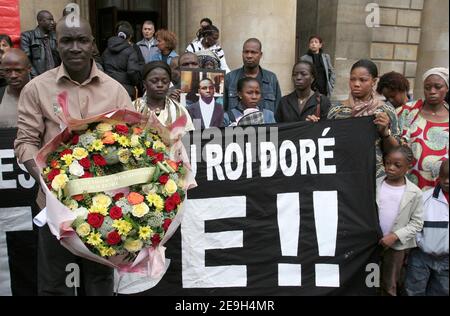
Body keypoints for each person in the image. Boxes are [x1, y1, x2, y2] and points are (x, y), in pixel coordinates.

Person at [14, 17, 133, 296]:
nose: (75, 47)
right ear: (57, 45)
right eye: (67, 40)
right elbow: (25, 143)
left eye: (82, 40)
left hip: (104, 212)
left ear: (92, 44)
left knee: (99, 284)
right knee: (55, 286)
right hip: (55, 210)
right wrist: (48, 181)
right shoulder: (37, 88)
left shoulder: (115, 91)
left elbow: (132, 145)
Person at [327, 59, 400, 178]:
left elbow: (396, 150)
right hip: (342, 173)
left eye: (363, 80)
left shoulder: (385, 110)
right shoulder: (337, 110)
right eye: (352, 79)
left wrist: (385, 133)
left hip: (374, 175)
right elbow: (327, 142)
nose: (356, 84)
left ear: (374, 81)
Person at [377, 145, 423, 296]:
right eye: (387, 163)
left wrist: (395, 236)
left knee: (390, 284)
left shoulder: (414, 193)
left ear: (408, 167)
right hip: (372, 242)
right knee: (368, 279)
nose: (390, 168)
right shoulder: (375, 185)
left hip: (396, 247)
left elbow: (417, 223)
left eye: (397, 165)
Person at [397, 68, 449, 191]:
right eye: (427, 87)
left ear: (447, 88)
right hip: (410, 185)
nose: (432, 91)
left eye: (438, 87)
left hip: (442, 188)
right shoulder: (406, 112)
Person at [405, 160, 449, 296]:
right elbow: (414, 224)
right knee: (413, 290)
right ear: (438, 176)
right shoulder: (424, 198)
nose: (447, 181)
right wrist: (421, 244)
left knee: (442, 291)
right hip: (421, 256)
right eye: (443, 176)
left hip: (447, 259)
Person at [134, 61, 194, 133]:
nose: (160, 85)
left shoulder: (179, 110)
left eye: (165, 81)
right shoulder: (134, 107)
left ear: (169, 83)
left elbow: (188, 139)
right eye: (154, 81)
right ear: (144, 84)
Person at [224, 38, 281, 113]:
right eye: (246, 52)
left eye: (253, 52)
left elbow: (278, 109)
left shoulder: (271, 78)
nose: (249, 56)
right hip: (237, 124)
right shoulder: (230, 78)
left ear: (260, 55)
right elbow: (222, 109)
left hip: (265, 124)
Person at [102, 23, 142, 100]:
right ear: (130, 37)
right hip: (126, 90)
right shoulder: (131, 51)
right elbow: (132, 71)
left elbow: (101, 68)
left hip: (108, 89)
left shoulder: (106, 51)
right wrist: (136, 82)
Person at [21, 10, 61, 78]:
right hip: (37, 78)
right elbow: (26, 60)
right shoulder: (27, 36)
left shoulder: (56, 36)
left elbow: (62, 56)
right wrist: (36, 77)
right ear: (40, 21)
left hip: (56, 77)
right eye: (49, 20)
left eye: (53, 20)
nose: (52, 22)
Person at [0, 49, 31, 128]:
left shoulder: (44, 94)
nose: (13, 75)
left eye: (18, 70)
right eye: (8, 71)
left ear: (29, 69)